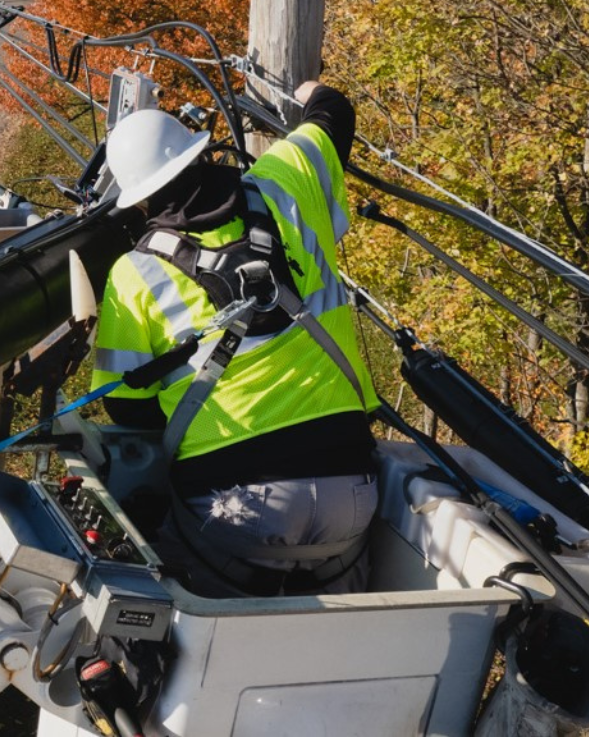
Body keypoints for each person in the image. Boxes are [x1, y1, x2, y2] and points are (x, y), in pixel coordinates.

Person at [91, 80, 379, 597]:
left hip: (232, 508)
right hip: (352, 490)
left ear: (137, 201)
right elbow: (333, 115)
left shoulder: (135, 273)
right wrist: (309, 91)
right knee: (345, 611)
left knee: (161, 588)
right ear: (200, 153)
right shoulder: (287, 182)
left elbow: (126, 408)